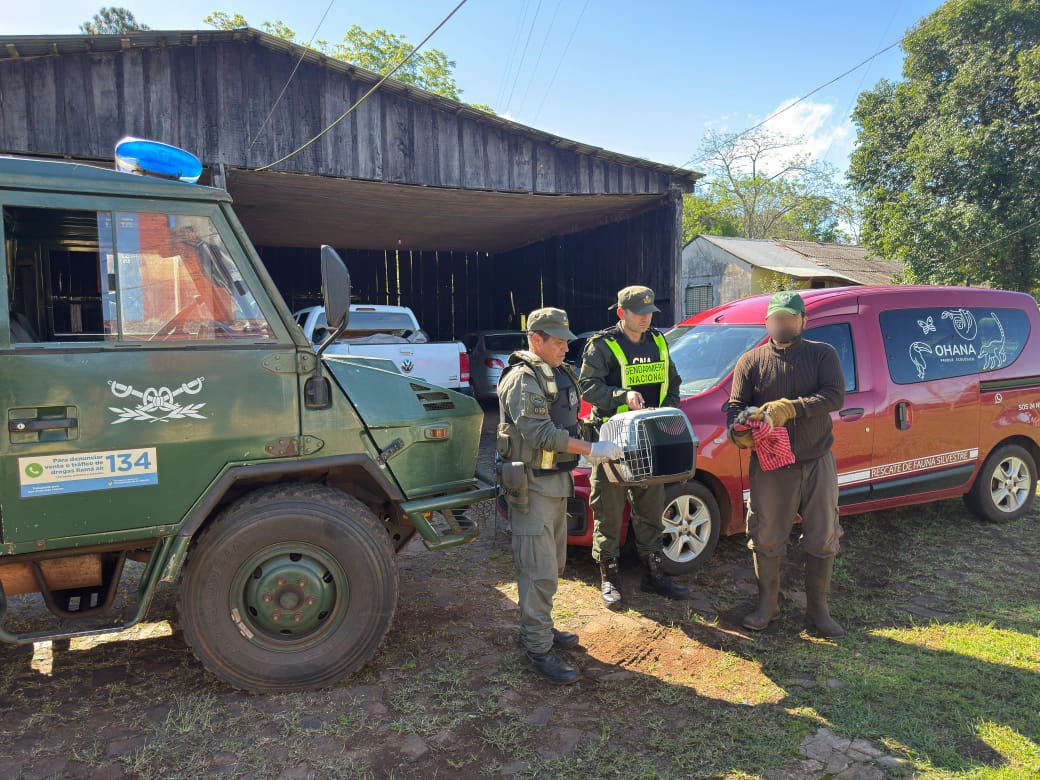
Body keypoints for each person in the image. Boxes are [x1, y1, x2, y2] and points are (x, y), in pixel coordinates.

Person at [497, 307, 623, 683]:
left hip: (555, 483)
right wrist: (590, 449)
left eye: (567, 339)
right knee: (537, 570)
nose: (566, 347)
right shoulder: (522, 379)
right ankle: (537, 647)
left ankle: (542, 629)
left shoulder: (557, 371)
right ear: (536, 340)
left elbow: (568, 418)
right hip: (533, 485)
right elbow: (541, 435)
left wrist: (595, 432)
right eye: (558, 341)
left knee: (553, 566)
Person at [726, 291, 847, 637]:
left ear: (803, 321)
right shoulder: (750, 361)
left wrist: (792, 407)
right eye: (777, 318)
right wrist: (740, 432)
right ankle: (768, 605)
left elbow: (835, 396)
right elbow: (736, 407)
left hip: (816, 459)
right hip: (770, 464)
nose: (783, 323)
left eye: (790, 317)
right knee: (766, 534)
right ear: (767, 322)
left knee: (823, 535)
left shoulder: (823, 354)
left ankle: (818, 612)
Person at [578, 286, 690, 608]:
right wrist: (621, 396)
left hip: (650, 442)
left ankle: (654, 573)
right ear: (621, 313)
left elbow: (673, 383)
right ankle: (609, 577)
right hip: (612, 442)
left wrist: (665, 414)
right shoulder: (602, 346)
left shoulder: (658, 340)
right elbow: (587, 387)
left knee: (651, 508)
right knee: (609, 511)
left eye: (650, 312)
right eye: (639, 313)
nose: (646, 318)